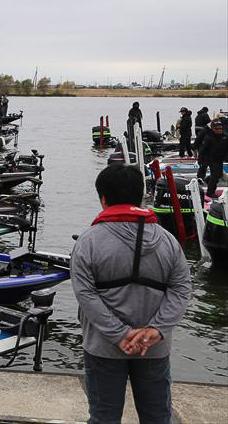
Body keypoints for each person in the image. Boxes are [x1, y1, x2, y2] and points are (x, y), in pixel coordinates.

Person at [71, 163, 191, 424]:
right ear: (140, 196)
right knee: (157, 417)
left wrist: (119, 333)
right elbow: (182, 289)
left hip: (103, 346)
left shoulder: (88, 241)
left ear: (103, 199)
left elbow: (85, 293)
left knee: (103, 417)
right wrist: (156, 329)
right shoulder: (168, 241)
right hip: (153, 346)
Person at [199, 119, 227, 198]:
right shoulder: (209, 137)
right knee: (215, 175)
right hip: (211, 158)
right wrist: (200, 159)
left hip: (220, 158)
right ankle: (210, 192)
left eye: (220, 128)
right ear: (213, 129)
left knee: (219, 175)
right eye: (217, 129)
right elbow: (203, 149)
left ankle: (208, 180)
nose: (219, 130)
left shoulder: (225, 136)